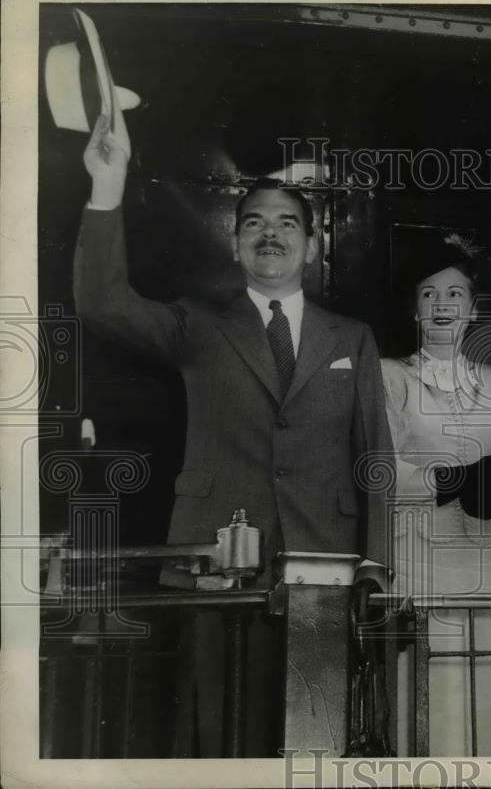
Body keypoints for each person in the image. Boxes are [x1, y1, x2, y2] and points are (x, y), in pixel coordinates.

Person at [74, 115, 393, 755]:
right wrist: (106, 184)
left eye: (286, 223)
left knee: (316, 726)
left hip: (324, 562)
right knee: (217, 727)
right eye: (253, 222)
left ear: (309, 243)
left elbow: (374, 459)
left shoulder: (350, 338)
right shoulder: (197, 323)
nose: (269, 233)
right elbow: (101, 301)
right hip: (212, 557)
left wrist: (377, 562)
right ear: (236, 243)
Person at [380, 231, 491, 756]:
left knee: (483, 694)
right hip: (416, 553)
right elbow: (382, 471)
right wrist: (452, 481)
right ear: (414, 311)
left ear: (474, 310)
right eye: (429, 294)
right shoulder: (389, 377)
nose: (442, 305)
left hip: (484, 556)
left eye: (454, 294)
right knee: (427, 695)